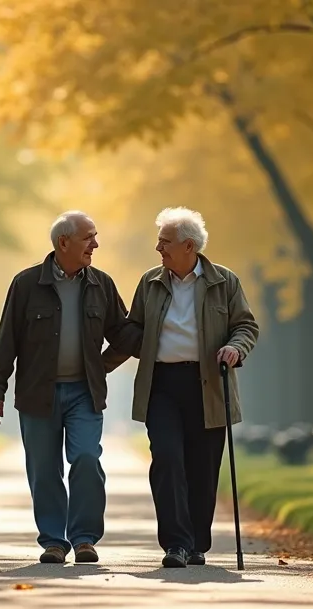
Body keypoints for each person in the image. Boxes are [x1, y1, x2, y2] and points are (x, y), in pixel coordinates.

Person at [0, 210, 142, 565]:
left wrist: (106, 363)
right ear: (63, 242)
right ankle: (54, 541)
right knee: (44, 469)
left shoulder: (101, 284)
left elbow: (123, 333)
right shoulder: (26, 284)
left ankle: (84, 538)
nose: (95, 244)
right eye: (89, 238)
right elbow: (6, 339)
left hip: (84, 393)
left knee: (86, 459)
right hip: (37, 394)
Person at [107, 207, 259, 568]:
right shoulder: (150, 282)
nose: (158, 248)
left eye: (165, 242)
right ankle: (175, 543)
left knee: (202, 468)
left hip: (209, 385)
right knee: (168, 459)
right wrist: (97, 367)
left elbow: (246, 326)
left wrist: (235, 349)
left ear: (188, 246)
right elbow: (133, 330)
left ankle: (196, 545)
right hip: (162, 385)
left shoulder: (225, 281)